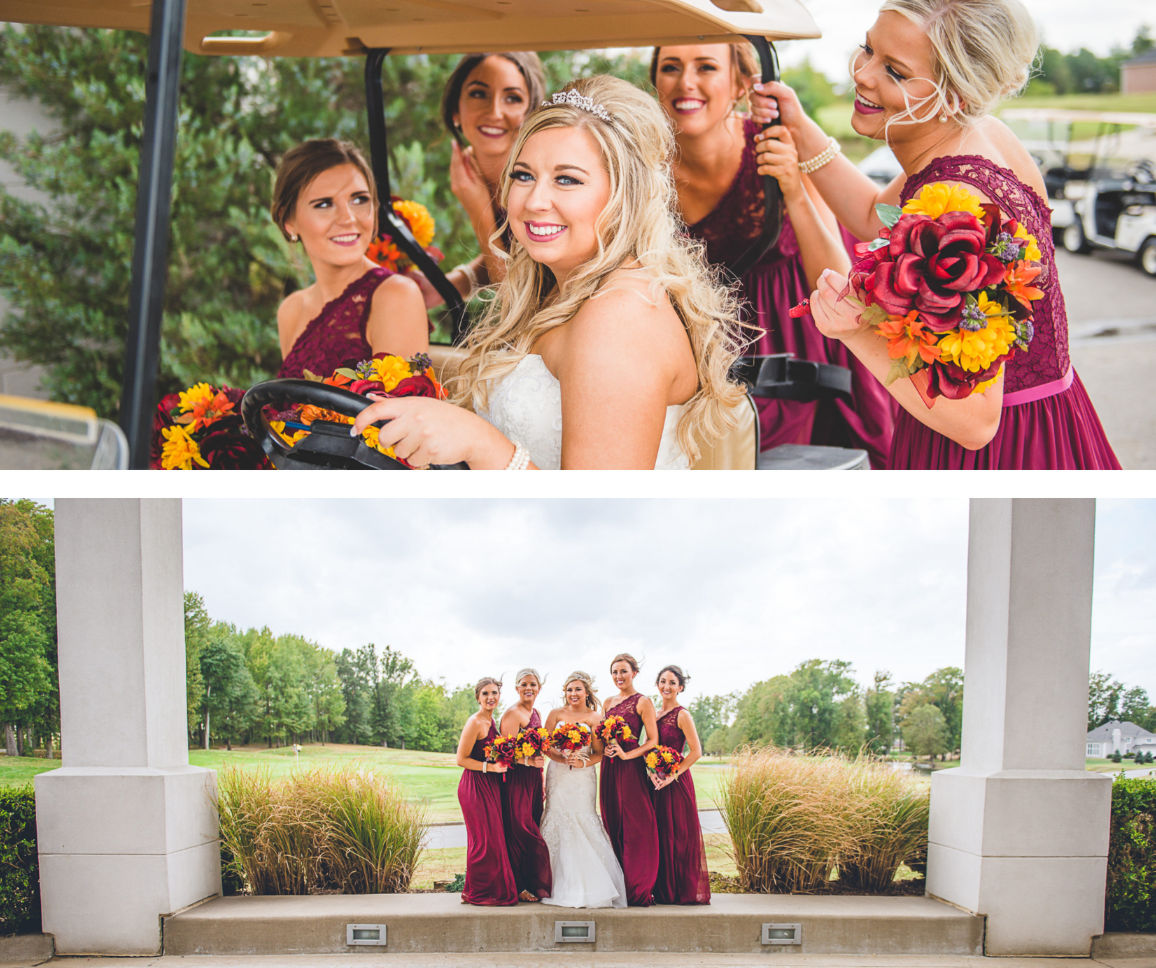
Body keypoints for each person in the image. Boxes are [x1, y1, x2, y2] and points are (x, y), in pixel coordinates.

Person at [751, 0, 1120, 469]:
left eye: (896, 72)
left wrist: (856, 331)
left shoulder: (956, 202)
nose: (863, 74)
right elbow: (873, 215)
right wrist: (802, 129)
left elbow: (973, 421)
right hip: (1055, 418)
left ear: (954, 96)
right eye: (868, 49)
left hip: (996, 451)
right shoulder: (981, 136)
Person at [351, 76, 749, 469]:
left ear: (625, 194)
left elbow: (597, 520)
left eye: (567, 179)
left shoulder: (619, 319)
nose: (534, 200)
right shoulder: (564, 292)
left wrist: (479, 443)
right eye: (523, 175)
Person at [652, 44, 896, 467]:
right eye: (670, 67)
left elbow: (841, 279)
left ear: (742, 83)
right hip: (702, 349)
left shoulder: (778, 144)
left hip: (798, 340)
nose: (685, 82)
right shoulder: (647, 166)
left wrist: (794, 191)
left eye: (705, 67)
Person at [270, 139, 428, 378]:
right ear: (288, 220)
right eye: (324, 204)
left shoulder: (396, 295)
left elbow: (401, 411)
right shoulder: (290, 311)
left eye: (359, 200)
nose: (348, 218)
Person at [427, 53, 547, 305]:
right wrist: (447, 286)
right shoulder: (471, 169)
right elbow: (514, 255)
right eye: (479, 94)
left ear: (530, 113)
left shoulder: (541, 180)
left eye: (512, 98)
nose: (494, 111)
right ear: (455, 110)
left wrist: (479, 213)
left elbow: (516, 297)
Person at [540, 672, 627, 909]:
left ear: (587, 692)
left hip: (582, 777)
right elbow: (545, 745)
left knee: (582, 819)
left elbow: (598, 753)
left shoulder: (595, 717)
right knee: (556, 818)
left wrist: (581, 762)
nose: (573, 694)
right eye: (569, 690)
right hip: (558, 774)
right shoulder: (555, 714)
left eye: (578, 689)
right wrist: (562, 756)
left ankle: (591, 886)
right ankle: (548, 882)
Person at [599, 653, 660, 907]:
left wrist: (626, 754)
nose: (618, 677)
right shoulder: (607, 702)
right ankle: (619, 885)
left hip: (631, 768)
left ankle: (639, 887)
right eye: (614, 672)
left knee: (637, 826)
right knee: (612, 821)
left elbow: (653, 740)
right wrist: (605, 748)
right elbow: (602, 735)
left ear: (634, 673)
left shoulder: (644, 701)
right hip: (609, 768)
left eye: (623, 671)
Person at [651, 665, 710, 905]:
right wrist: (651, 773)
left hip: (676, 782)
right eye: (663, 681)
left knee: (679, 836)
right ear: (657, 685)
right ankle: (662, 889)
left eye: (672, 683)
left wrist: (672, 775)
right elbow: (649, 748)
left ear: (680, 687)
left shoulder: (682, 715)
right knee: (660, 835)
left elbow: (696, 752)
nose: (667, 686)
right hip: (655, 782)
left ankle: (680, 891)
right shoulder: (653, 714)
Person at [455, 677, 517, 906]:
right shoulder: (475, 722)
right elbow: (461, 759)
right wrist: (489, 767)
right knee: (482, 842)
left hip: (490, 786)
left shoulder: (492, 722)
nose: (490, 697)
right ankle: (480, 894)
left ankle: (473, 891)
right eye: (485, 694)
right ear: (478, 697)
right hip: (474, 786)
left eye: (494, 693)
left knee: (491, 839)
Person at [498, 668, 552, 902]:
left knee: (534, 826)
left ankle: (531, 882)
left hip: (532, 779)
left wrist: (538, 771)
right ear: (517, 688)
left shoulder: (537, 712)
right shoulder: (512, 714)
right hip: (517, 779)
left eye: (533, 684)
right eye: (523, 684)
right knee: (520, 831)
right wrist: (528, 761)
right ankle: (517, 884)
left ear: (539, 689)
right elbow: (503, 754)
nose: (528, 688)